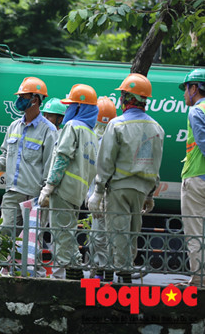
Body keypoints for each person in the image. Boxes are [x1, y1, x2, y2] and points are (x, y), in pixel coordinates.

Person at [88, 73, 164, 283]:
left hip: (119, 188)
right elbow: (155, 163)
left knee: (118, 232)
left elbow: (106, 161)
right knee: (132, 231)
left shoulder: (117, 125)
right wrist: (150, 194)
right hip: (141, 190)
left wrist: (98, 190)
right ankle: (125, 271)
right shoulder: (157, 128)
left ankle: (123, 277)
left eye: (122, 95)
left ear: (127, 97)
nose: (120, 99)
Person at [0, 77, 57, 238]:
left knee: (31, 240)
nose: (19, 100)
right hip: (12, 193)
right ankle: (5, 264)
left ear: (35, 100)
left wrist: (47, 192)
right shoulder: (14, 126)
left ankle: (30, 264)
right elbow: (6, 156)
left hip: (34, 196)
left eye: (23, 97)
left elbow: (51, 164)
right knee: (5, 234)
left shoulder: (48, 131)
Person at [38, 84, 99, 280]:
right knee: (68, 233)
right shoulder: (91, 134)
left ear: (80, 107)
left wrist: (49, 186)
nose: (68, 110)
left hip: (63, 189)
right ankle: (74, 273)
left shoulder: (72, 127)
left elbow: (62, 157)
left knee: (61, 235)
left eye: (72, 105)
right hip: (77, 193)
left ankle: (65, 279)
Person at [178, 68, 205, 288]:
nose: (184, 94)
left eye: (185, 89)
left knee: (196, 231)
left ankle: (198, 281)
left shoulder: (197, 111)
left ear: (194, 88)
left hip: (197, 179)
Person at [88, 96, 118, 281]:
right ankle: (99, 269)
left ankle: (101, 272)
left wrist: (94, 195)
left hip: (102, 195)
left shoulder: (98, 139)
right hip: (102, 195)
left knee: (100, 236)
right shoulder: (112, 136)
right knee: (99, 235)